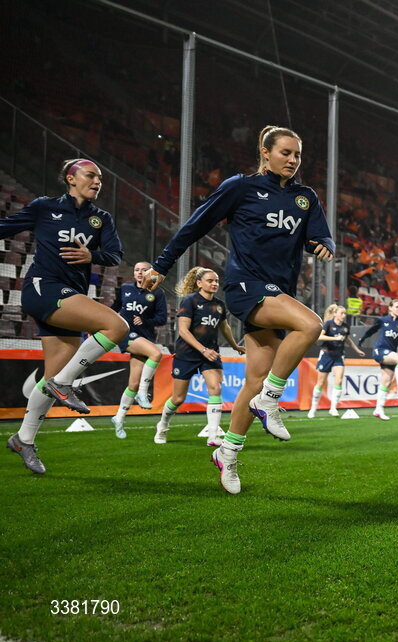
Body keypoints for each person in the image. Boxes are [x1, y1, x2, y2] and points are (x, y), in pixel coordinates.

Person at [145, 126, 335, 495]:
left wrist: (322, 244)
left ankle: (228, 454)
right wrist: (161, 265)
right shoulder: (241, 187)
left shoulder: (305, 197)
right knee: (311, 325)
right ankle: (271, 400)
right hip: (245, 286)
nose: (293, 160)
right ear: (265, 152)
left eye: (297, 155)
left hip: (278, 292)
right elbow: (195, 226)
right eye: (285, 153)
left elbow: (321, 235)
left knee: (255, 378)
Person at [3, 158, 127, 475]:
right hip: (42, 288)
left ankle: (24, 439)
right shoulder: (45, 207)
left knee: (51, 377)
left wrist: (92, 256)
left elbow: (115, 254)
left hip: (69, 296)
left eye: (100, 177)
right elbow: (5, 227)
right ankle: (64, 383)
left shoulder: (102, 219)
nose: (97, 181)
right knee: (116, 325)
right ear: (71, 178)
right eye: (90, 175)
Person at [155, 267, 244, 445]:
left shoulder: (219, 304)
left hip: (210, 354)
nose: (214, 284)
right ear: (199, 283)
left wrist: (235, 345)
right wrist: (203, 350)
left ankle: (213, 436)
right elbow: (183, 331)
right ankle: (162, 425)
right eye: (210, 281)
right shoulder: (190, 301)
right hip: (187, 353)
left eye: (217, 281)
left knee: (216, 388)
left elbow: (224, 327)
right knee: (178, 398)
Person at [110, 261, 168, 438]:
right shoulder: (126, 288)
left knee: (133, 383)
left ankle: (119, 417)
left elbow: (162, 318)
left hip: (145, 338)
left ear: (151, 273)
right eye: (137, 270)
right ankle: (144, 393)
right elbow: (114, 309)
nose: (140, 272)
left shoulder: (157, 293)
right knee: (156, 353)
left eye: (144, 270)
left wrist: (146, 322)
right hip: (127, 335)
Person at [358, 299, 398, 420]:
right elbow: (371, 330)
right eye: (397, 307)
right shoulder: (383, 320)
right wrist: (362, 339)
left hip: (390, 354)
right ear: (390, 308)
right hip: (380, 350)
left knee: (386, 382)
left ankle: (378, 409)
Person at [308, 303, 364, 418]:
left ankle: (333, 408)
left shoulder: (345, 326)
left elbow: (347, 339)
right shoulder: (328, 324)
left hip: (339, 355)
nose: (344, 316)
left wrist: (356, 349)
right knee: (321, 382)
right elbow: (319, 337)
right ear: (335, 314)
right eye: (341, 313)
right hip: (326, 354)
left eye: (345, 314)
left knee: (338, 381)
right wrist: (335, 338)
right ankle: (313, 409)